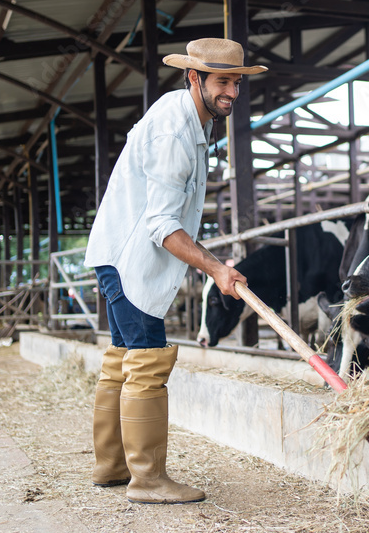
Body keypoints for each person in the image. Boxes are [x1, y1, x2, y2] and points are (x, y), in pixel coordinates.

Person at [84, 38, 262, 505]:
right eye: (222, 81)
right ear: (194, 78)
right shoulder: (175, 133)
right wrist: (217, 270)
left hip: (119, 254)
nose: (231, 92)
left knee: (123, 359)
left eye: (237, 82)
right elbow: (162, 225)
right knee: (147, 361)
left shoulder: (183, 115)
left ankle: (111, 466)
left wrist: (214, 267)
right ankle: (147, 480)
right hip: (131, 259)